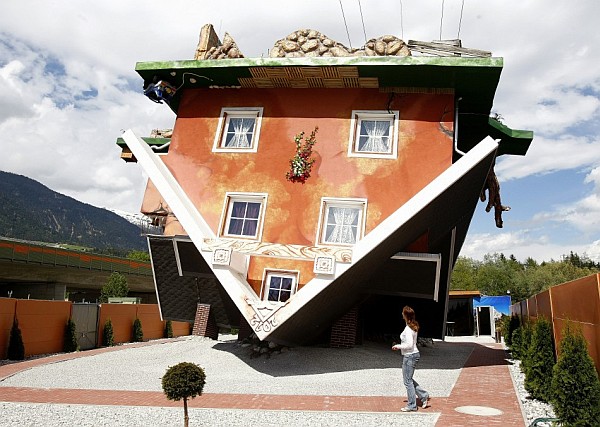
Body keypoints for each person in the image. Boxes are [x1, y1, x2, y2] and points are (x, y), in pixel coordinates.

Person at [392, 306, 430, 412]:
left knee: (407, 381)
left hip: (410, 356)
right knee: (408, 379)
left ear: (405, 315)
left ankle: (412, 405)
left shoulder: (408, 329)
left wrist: (398, 346)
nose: (401, 314)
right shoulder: (413, 326)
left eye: (402, 313)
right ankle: (423, 395)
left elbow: (409, 345)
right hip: (413, 355)